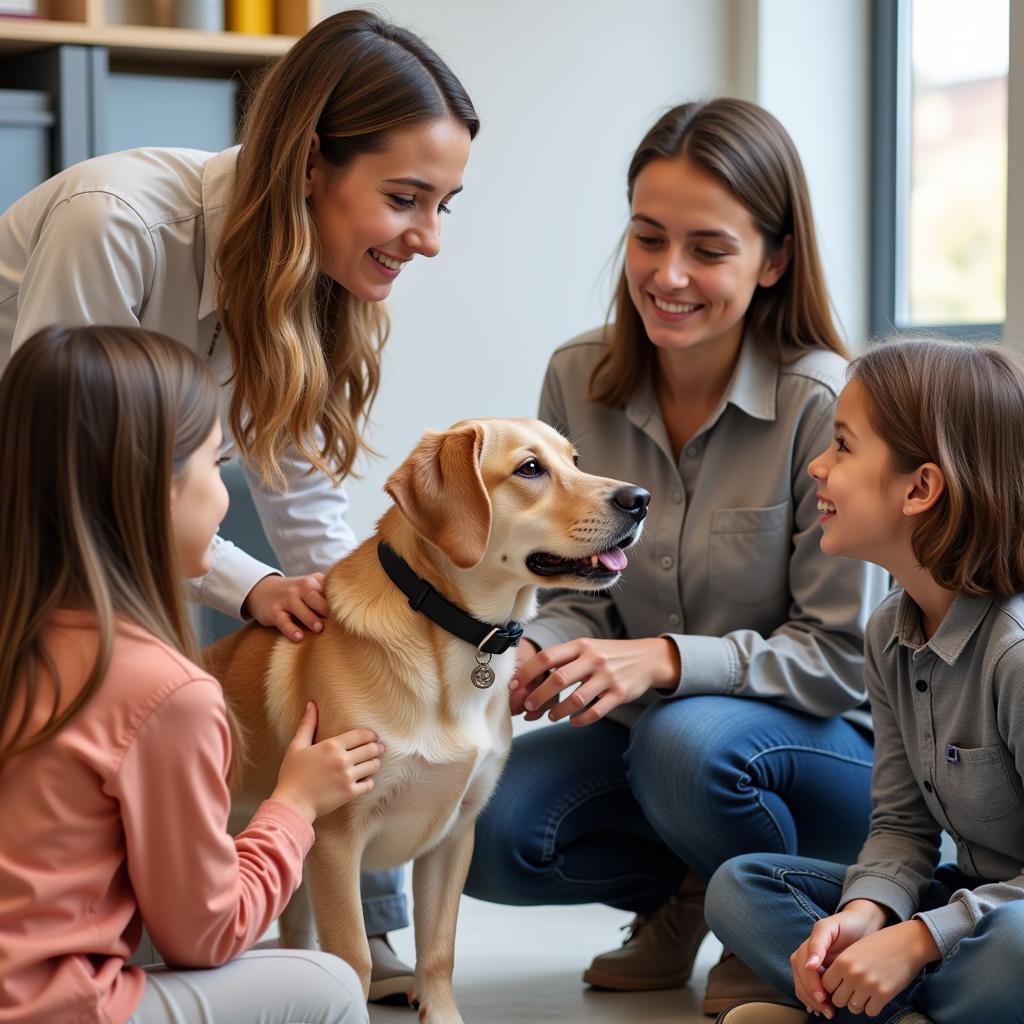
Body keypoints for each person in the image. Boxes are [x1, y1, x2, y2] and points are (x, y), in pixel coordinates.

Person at [0, 9, 477, 995]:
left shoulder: (311, 272)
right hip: (33, 509)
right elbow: (69, 464)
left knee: (308, 656)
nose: (428, 239)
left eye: (446, 205)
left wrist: (357, 617)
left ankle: (345, 924)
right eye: (404, 198)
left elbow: (300, 483)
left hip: (97, 516)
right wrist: (255, 583)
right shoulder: (119, 223)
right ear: (312, 163)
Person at [463, 97, 889, 1014]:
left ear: (774, 259)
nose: (668, 274)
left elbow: (841, 655)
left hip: (814, 749)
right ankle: (686, 896)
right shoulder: (577, 377)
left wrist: (661, 661)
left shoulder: (822, 402)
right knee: (487, 827)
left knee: (682, 738)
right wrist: (541, 646)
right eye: (647, 237)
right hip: (659, 746)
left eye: (708, 248)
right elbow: (577, 586)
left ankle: (767, 916)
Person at [0, 325, 388, 1024]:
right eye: (215, 463)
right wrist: (293, 805)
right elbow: (205, 933)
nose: (222, 493)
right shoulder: (163, 692)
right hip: (52, 1008)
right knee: (327, 987)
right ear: (153, 488)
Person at [705, 338, 1024, 1024]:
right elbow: (903, 828)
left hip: (1010, 923)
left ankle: (860, 1012)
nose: (818, 466)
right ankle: (897, 1012)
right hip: (970, 899)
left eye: (844, 446)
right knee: (743, 885)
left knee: (1017, 950)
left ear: (921, 488)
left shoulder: (1015, 653)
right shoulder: (889, 631)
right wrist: (865, 913)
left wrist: (917, 940)